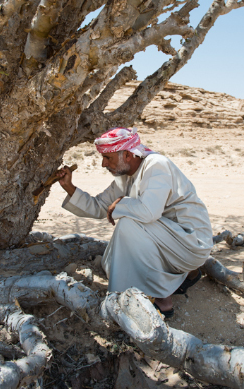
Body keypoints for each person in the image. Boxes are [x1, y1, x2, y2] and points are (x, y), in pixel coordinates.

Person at [56, 127, 213, 317]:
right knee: (114, 255)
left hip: (191, 242)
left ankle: (159, 300)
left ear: (128, 155)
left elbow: (148, 212)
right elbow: (99, 206)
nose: (103, 164)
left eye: (108, 158)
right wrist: (69, 187)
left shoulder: (156, 165)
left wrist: (121, 204)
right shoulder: (125, 176)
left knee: (129, 224)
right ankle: (187, 274)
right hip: (173, 243)